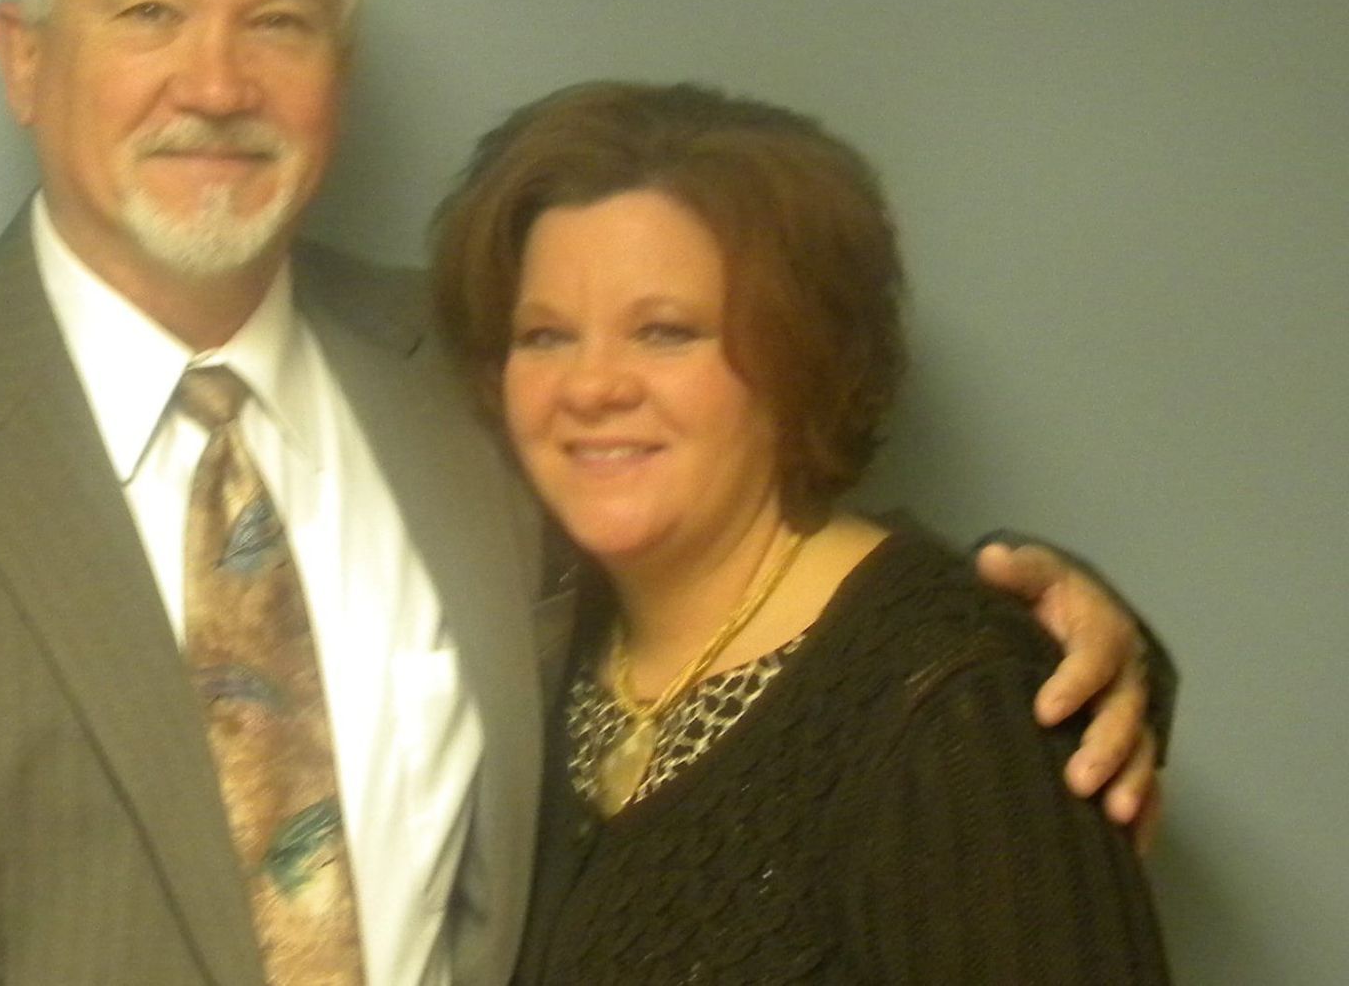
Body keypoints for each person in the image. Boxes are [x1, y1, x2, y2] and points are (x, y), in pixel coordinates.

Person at [0, 0, 1164, 986]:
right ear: (24, 56)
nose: (218, 81)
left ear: (336, 72)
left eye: (280, 20)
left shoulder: (486, 391)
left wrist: (1035, 645)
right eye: (148, 10)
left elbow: (757, 591)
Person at [430, 81, 1170, 984]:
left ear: (798, 355)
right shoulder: (535, 650)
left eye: (664, 331)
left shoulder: (953, 701)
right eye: (546, 336)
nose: (591, 387)